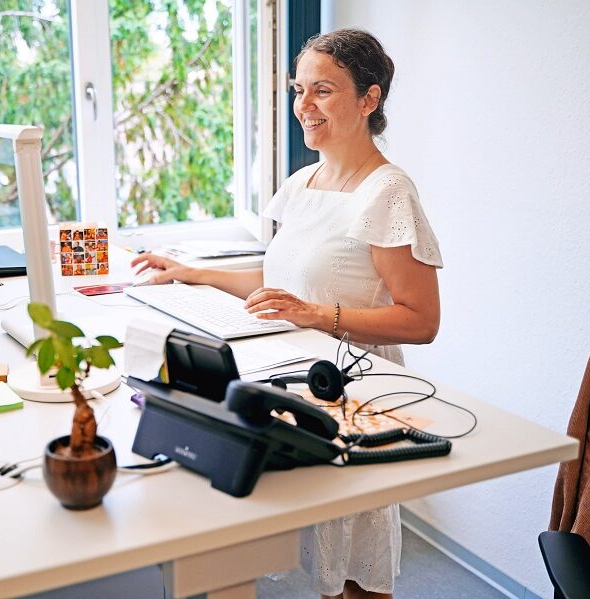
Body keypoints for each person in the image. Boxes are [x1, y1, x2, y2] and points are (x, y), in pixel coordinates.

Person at [131, 28, 442, 599]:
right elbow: (282, 286)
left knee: (355, 562)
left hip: (359, 393)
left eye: (322, 90)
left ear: (369, 100)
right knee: (321, 550)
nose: (303, 106)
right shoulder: (302, 182)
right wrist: (191, 270)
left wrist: (319, 315)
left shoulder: (388, 193)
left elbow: (420, 320)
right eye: (299, 90)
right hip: (296, 377)